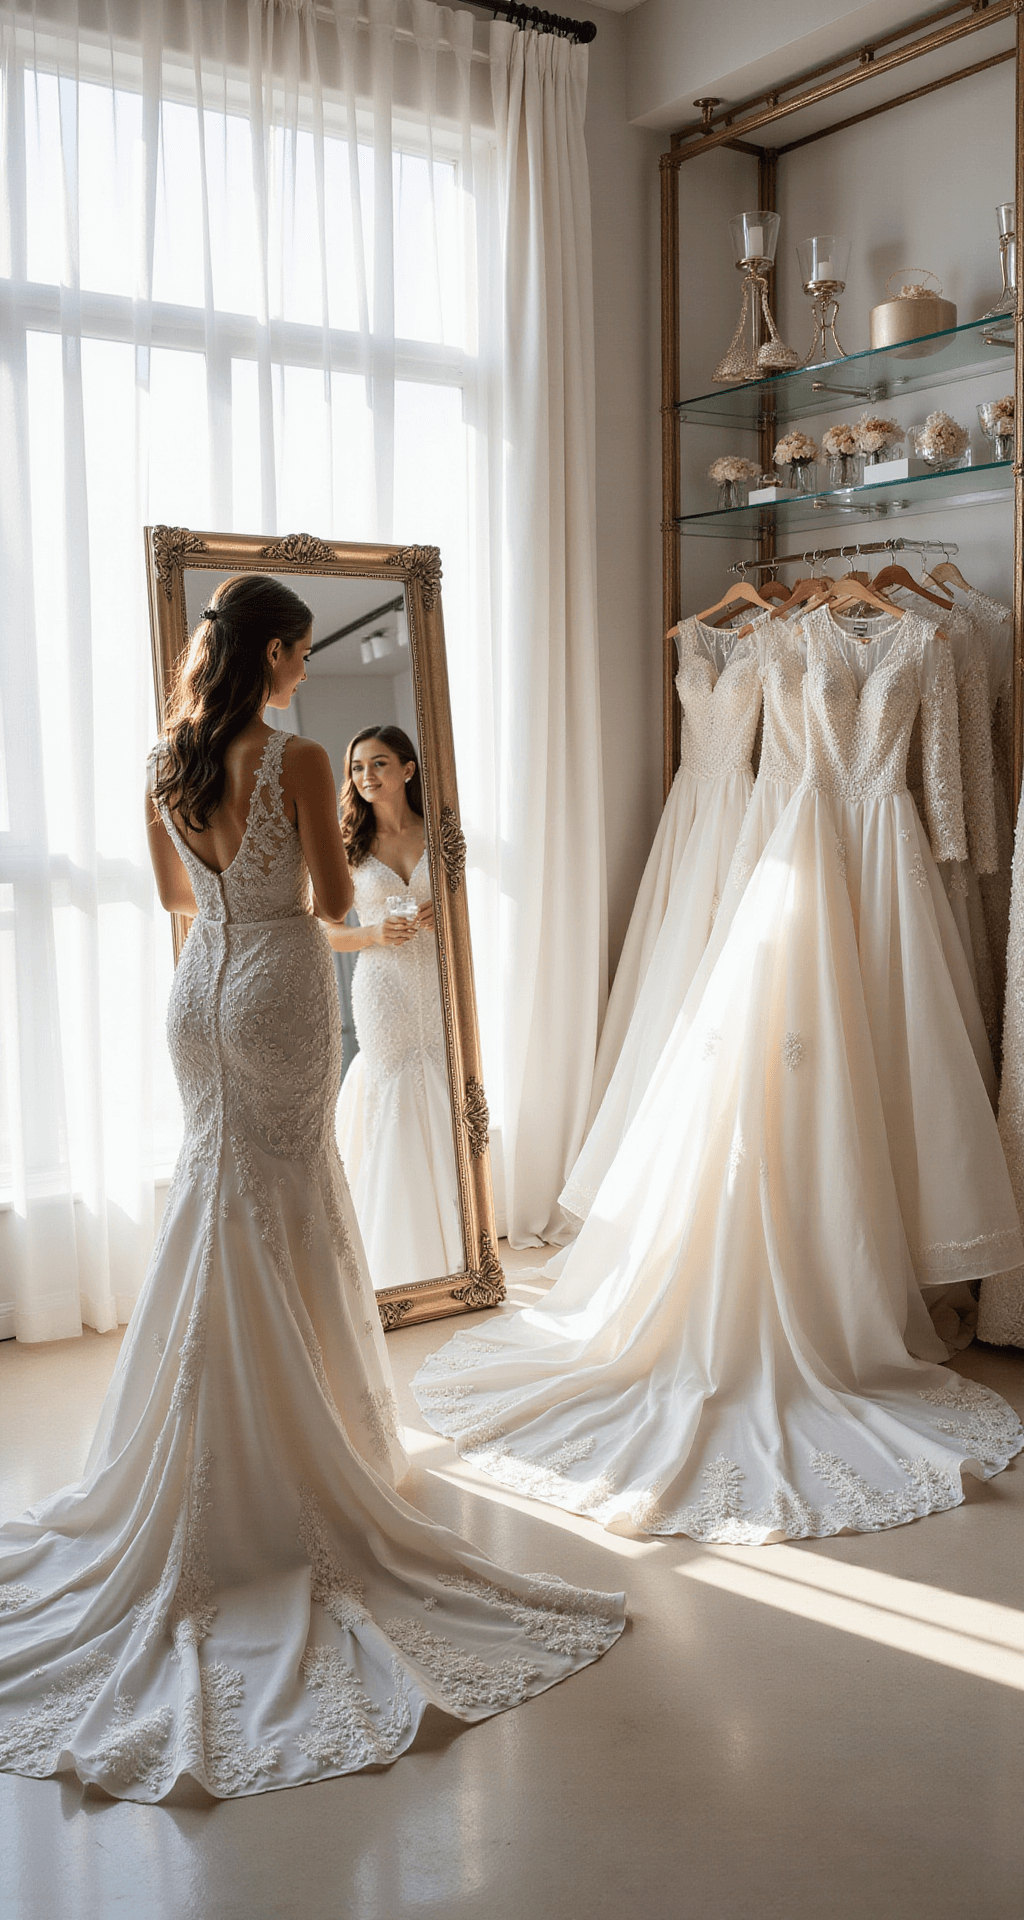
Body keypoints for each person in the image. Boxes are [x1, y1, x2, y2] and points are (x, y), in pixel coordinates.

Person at [0, 574, 624, 1802]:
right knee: (288, 1206)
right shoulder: (286, 756)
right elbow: (336, 902)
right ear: (280, 653)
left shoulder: (165, 760)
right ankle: (307, 1436)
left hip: (196, 990)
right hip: (281, 984)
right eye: (297, 654)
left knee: (210, 1200)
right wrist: (300, 899)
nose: (298, 671)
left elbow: (181, 901)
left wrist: (239, 907)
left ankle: (195, 1436)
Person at [327, 725, 463, 1289]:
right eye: (358, 768)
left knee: (440, 1083)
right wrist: (375, 933)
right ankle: (394, 1253)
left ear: (407, 769)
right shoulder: (345, 845)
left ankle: (458, 1243)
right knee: (396, 1088)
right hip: (382, 985)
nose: (366, 777)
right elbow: (325, 929)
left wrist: (448, 918)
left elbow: (468, 910)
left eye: (378, 764)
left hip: (436, 980)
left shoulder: (441, 831)